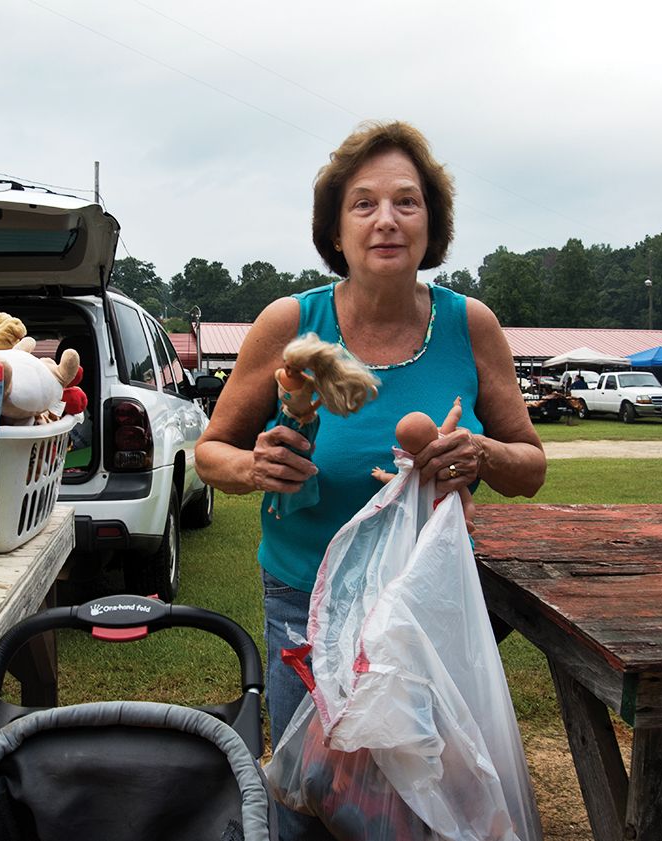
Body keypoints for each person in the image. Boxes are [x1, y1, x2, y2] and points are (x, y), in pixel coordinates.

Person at [194, 120, 547, 840]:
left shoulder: (469, 323)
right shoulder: (290, 322)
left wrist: (478, 451)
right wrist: (253, 466)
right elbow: (211, 452)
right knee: (314, 791)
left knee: (422, 793)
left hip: (425, 605)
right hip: (307, 598)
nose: (385, 219)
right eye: (363, 204)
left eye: (406, 202)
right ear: (335, 226)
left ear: (431, 223)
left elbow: (530, 465)